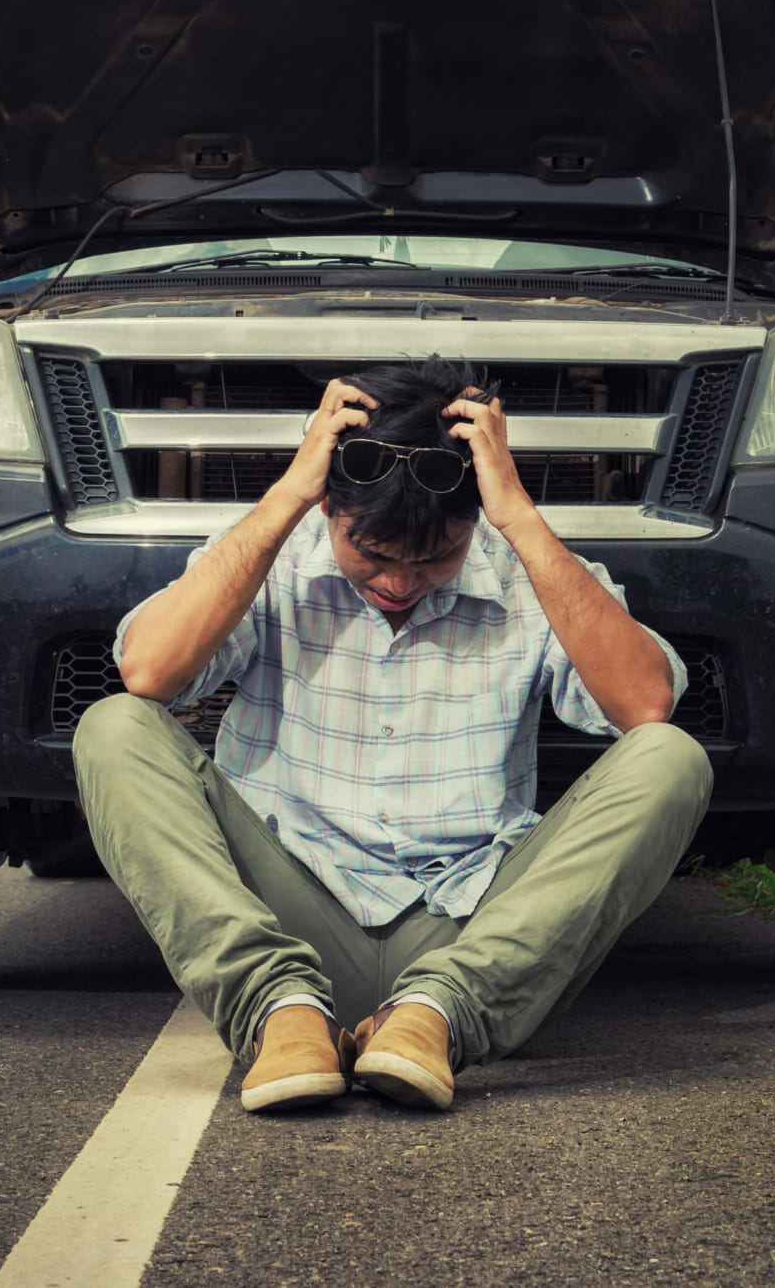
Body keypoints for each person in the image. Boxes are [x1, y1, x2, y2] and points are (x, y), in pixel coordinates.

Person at [72, 358, 714, 1115]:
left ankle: (436, 1014)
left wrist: (518, 516)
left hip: (473, 936)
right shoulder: (276, 551)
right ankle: (280, 1011)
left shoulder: (521, 568)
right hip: (294, 916)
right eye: (371, 553)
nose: (400, 581)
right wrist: (288, 494)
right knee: (113, 727)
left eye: (435, 556)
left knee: (673, 759)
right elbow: (148, 668)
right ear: (329, 507)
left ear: (475, 521)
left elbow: (646, 702)